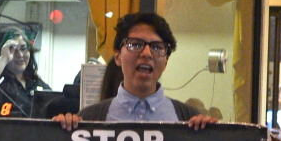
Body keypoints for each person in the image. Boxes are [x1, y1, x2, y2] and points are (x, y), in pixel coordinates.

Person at [54, 12, 215, 129]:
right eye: (135, 44)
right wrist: (59, 133)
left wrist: (210, 137)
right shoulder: (89, 119)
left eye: (157, 47)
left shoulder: (189, 119)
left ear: (166, 61)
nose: (146, 54)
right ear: (117, 56)